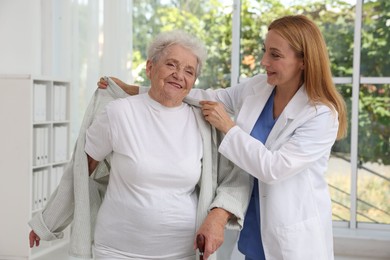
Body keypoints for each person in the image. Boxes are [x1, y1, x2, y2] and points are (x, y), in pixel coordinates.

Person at [98, 15, 347, 260]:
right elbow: (206, 96)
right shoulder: (260, 87)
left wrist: (229, 128)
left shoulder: (321, 114)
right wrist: (140, 90)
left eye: (275, 55)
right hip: (252, 224)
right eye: (265, 51)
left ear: (303, 61)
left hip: (290, 233)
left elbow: (274, 168)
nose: (263, 61)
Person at [28, 30, 251, 260]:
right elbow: (81, 169)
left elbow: (235, 177)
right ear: (150, 68)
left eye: (188, 71)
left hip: (183, 252)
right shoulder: (118, 113)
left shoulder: (203, 123)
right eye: (171, 64)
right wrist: (47, 222)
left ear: (194, 82)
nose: (178, 75)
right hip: (117, 251)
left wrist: (218, 216)